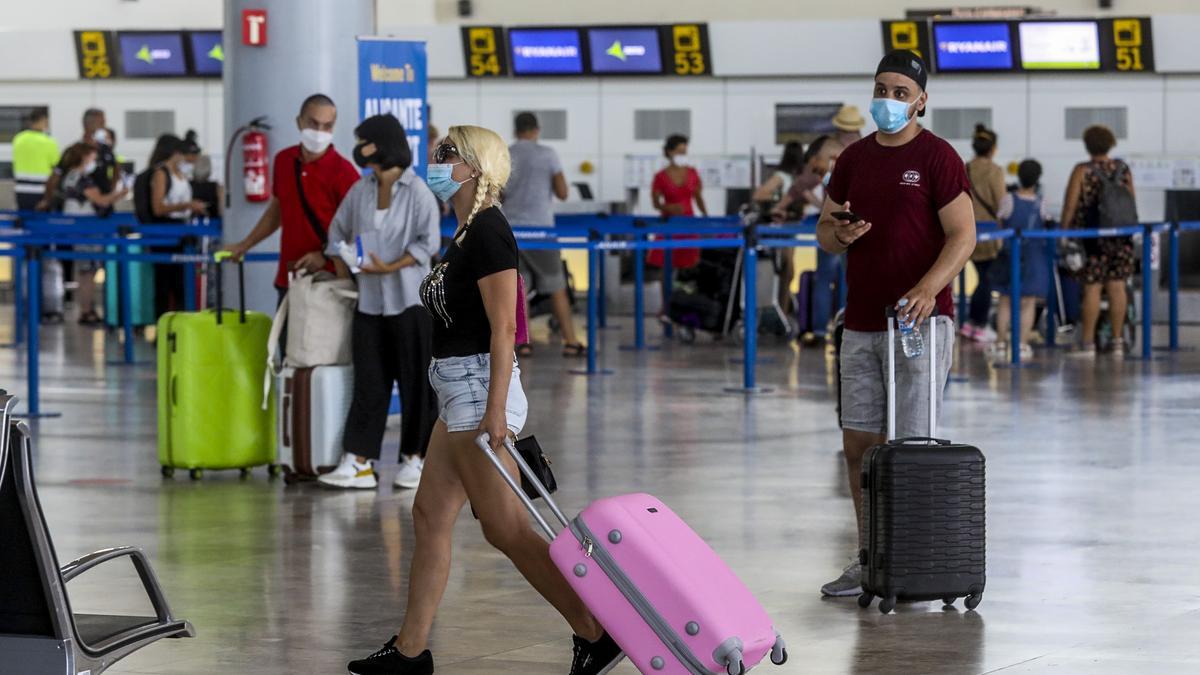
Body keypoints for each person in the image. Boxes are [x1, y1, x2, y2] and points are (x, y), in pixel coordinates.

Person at [347, 126, 622, 675]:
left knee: (508, 529)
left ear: (476, 167)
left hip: (478, 394)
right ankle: (410, 650)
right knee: (429, 514)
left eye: (447, 154)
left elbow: (504, 330)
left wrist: (496, 412)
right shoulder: (464, 232)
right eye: (436, 153)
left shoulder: (490, 232)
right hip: (456, 393)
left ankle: (594, 631)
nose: (435, 160)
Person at [815, 50, 976, 598]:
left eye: (900, 92)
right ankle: (868, 558)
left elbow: (963, 235)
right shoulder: (854, 158)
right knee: (859, 443)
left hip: (919, 326)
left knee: (910, 447)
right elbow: (823, 229)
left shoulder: (938, 157)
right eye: (882, 88)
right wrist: (839, 235)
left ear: (921, 101)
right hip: (861, 323)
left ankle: (909, 563)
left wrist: (929, 288)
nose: (888, 99)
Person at [317, 115, 440, 491]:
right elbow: (336, 232)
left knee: (416, 383)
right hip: (369, 302)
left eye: (365, 141)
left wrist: (392, 265)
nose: (360, 148)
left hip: (409, 301)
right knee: (369, 382)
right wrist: (347, 263)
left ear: (382, 143)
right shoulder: (360, 190)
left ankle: (416, 459)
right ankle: (359, 461)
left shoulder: (417, 190)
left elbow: (428, 242)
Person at [222, 94, 361, 307]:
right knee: (287, 339)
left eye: (327, 126)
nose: (319, 132)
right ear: (299, 122)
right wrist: (245, 245)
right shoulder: (283, 161)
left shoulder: (344, 172)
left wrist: (325, 256)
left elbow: (357, 228)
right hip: (289, 277)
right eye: (313, 123)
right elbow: (278, 211)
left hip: (328, 280)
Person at [506, 111, 585, 358]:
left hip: (511, 231)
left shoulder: (506, 154)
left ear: (516, 129)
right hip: (541, 230)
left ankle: (523, 343)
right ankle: (571, 341)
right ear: (536, 129)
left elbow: (497, 193)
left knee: (519, 287)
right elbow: (562, 192)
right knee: (557, 286)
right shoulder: (547, 154)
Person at [1060, 124, 1137, 357]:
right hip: (1121, 238)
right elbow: (1131, 201)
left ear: (1087, 145)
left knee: (1092, 288)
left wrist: (1063, 232)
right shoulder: (1123, 169)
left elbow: (1071, 205)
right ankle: (1117, 341)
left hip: (1091, 237)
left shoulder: (1083, 171)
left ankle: (1087, 344)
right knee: (1118, 287)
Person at [773, 136, 845, 345]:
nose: (818, 175)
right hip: (841, 236)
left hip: (841, 237)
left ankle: (822, 331)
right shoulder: (851, 159)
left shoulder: (846, 163)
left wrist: (780, 207)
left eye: (818, 169)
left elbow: (800, 185)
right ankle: (841, 329)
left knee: (824, 279)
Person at [988, 159, 1051, 361]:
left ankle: (1000, 343)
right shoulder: (1041, 202)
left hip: (1010, 254)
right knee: (1028, 302)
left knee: (1005, 301)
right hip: (1034, 257)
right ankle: (1022, 345)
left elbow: (1000, 223)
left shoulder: (1008, 200)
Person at [58, 142, 127, 325]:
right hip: (86, 229)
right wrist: (122, 193)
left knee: (85, 271)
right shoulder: (82, 179)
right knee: (87, 271)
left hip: (76, 228)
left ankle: (87, 309)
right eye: (93, 157)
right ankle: (87, 310)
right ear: (84, 157)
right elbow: (102, 201)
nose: (95, 161)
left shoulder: (69, 176)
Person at [143, 134, 208, 316]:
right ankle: (162, 327)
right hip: (165, 233)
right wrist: (187, 205)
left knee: (180, 283)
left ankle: (180, 327)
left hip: (182, 231)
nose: (190, 162)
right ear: (177, 154)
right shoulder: (161, 173)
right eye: (188, 157)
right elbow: (158, 207)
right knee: (164, 283)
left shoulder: (182, 175)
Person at [962, 124, 1005, 343]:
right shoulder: (995, 171)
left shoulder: (965, 168)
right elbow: (1002, 203)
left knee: (981, 278)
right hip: (990, 234)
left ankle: (971, 323)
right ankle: (977, 324)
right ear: (993, 148)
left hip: (967, 230)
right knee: (987, 280)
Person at [41, 108, 121, 216]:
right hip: (82, 210)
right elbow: (56, 176)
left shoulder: (105, 150)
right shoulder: (74, 151)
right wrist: (47, 200)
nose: (104, 126)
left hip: (104, 208)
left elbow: (116, 169)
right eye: (102, 122)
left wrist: (111, 190)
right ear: (89, 124)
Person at [648, 134, 707, 271]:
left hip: (689, 223)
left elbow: (698, 197)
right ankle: (667, 292)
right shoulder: (660, 177)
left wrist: (705, 217)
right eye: (680, 151)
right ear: (670, 152)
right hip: (668, 223)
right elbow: (656, 204)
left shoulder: (693, 173)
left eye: (685, 151)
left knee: (691, 263)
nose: (683, 154)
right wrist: (668, 207)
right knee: (666, 264)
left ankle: (688, 291)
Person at [12, 108, 59, 212]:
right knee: (41, 223)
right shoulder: (49, 142)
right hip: (41, 191)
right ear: (43, 120)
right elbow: (56, 168)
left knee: (25, 221)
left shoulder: (18, 139)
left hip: (21, 189)